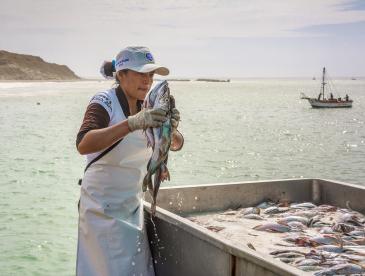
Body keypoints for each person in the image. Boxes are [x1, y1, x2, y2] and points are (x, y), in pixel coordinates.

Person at [75, 46, 183, 276]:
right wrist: (132, 123)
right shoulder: (105, 101)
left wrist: (172, 130)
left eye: (151, 75)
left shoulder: (150, 105)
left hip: (132, 205)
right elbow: (83, 143)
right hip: (100, 208)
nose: (147, 81)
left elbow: (175, 144)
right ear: (121, 74)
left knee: (137, 270)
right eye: (141, 74)